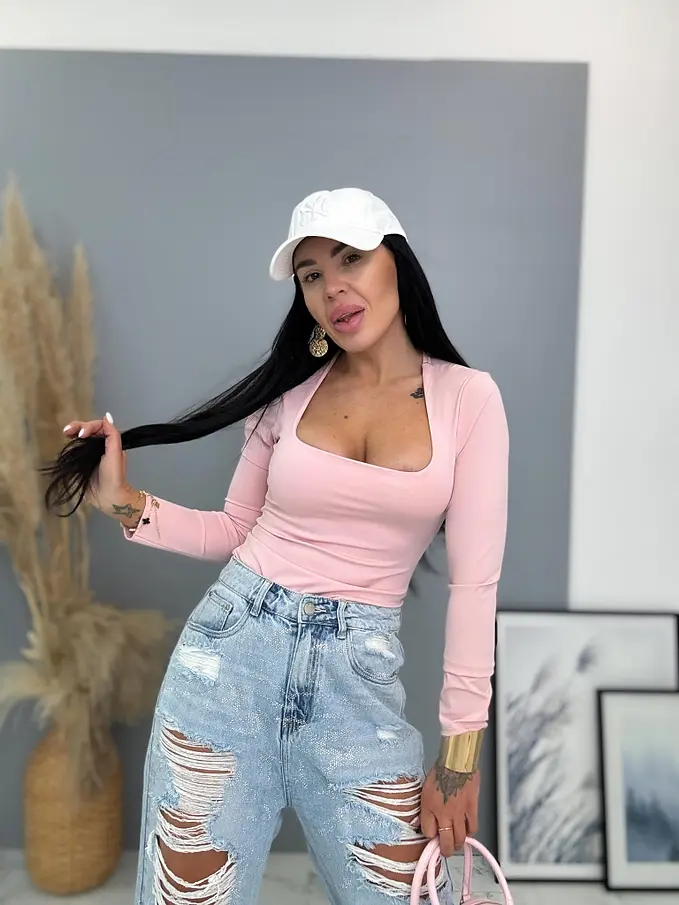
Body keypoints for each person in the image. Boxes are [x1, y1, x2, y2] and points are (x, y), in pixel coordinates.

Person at [46, 187, 509, 905]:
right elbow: (235, 531)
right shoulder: (287, 396)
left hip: (357, 686)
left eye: (350, 259)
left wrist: (459, 756)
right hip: (228, 661)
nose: (333, 288)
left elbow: (474, 586)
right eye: (311, 274)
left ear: (397, 261)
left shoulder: (467, 399)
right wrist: (124, 503)